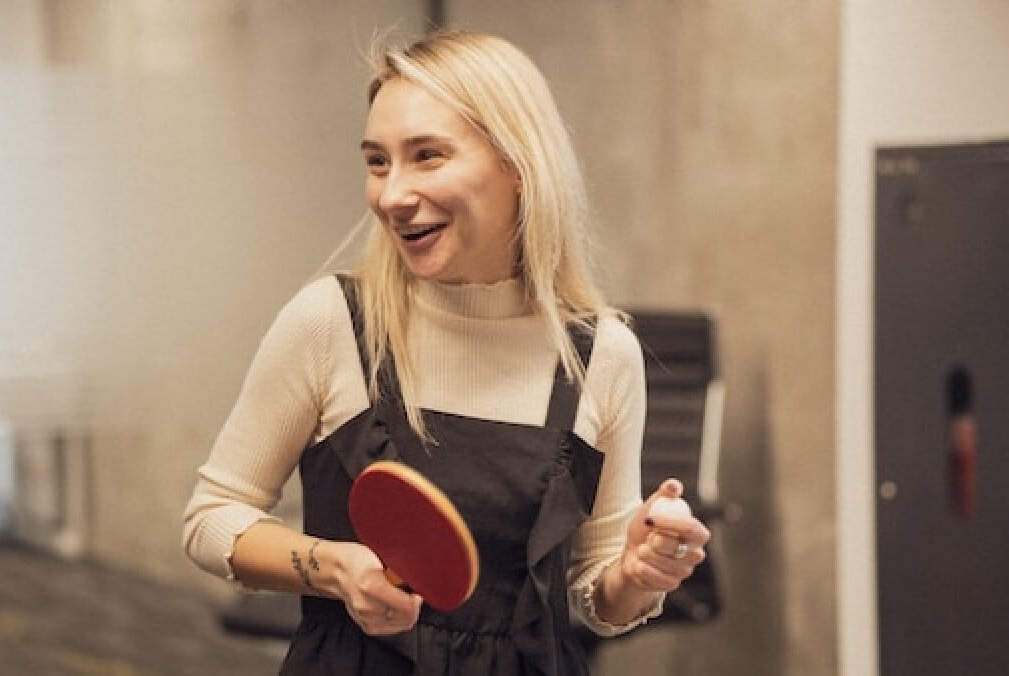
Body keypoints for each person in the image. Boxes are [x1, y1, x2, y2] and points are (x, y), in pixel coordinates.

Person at [183, 29, 711, 676]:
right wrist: (333, 568)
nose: (391, 196)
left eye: (427, 156)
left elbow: (600, 598)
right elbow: (211, 518)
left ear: (518, 167)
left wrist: (638, 572)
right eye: (378, 162)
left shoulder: (603, 355)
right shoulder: (330, 323)